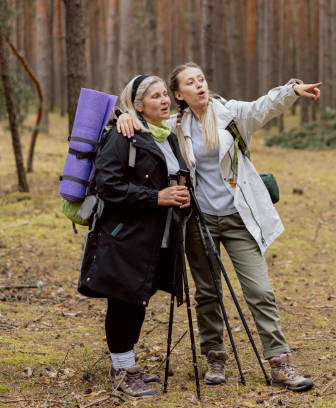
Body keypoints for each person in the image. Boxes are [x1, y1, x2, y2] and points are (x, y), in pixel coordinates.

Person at [117, 62, 321, 392]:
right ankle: (215, 356)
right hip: (199, 221)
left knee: (259, 290)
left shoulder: (230, 114)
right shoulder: (172, 126)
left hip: (238, 217)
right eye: (190, 82)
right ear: (179, 94)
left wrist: (291, 90)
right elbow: (141, 123)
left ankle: (280, 364)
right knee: (208, 292)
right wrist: (125, 116)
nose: (199, 85)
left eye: (201, 79)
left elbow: (263, 106)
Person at [79, 75, 191, 397]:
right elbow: (107, 185)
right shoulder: (122, 133)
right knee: (125, 299)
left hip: (160, 236)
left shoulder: (166, 137)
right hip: (127, 236)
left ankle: (127, 363)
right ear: (138, 105)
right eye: (155, 96)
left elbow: (173, 179)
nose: (164, 100)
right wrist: (158, 197)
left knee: (138, 296)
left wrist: (182, 195)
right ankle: (122, 371)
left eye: (164, 95)